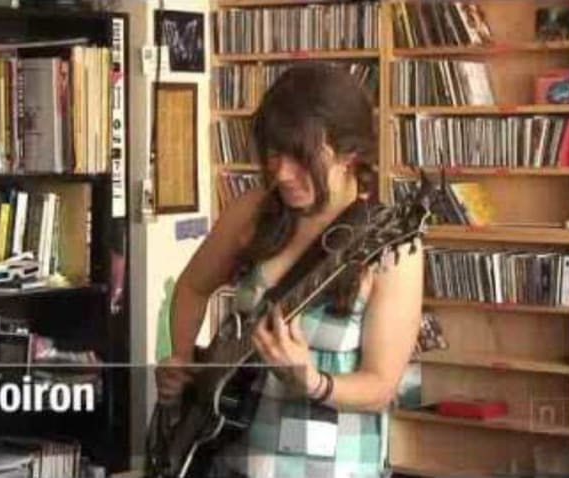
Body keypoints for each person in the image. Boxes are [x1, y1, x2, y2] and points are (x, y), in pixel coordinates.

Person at [155, 63, 424, 478]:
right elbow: (192, 287)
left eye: (301, 157)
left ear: (349, 153)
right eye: (274, 154)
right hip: (225, 456)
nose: (281, 173)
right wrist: (183, 358)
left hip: (332, 466)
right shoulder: (252, 212)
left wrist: (315, 382)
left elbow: (381, 385)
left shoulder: (391, 247)